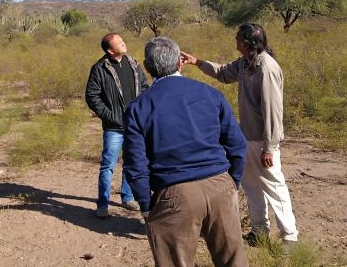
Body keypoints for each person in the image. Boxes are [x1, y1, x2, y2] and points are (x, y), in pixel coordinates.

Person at [123, 36, 248, 267]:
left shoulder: (139, 107)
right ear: (180, 63)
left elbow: (135, 163)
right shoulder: (211, 94)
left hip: (174, 193)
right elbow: (237, 144)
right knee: (233, 261)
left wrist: (146, 204)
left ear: (147, 67)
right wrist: (232, 182)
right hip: (220, 186)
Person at [181, 23, 299, 246]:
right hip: (247, 137)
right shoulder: (246, 63)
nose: (235, 41)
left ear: (247, 42)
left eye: (238, 38)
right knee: (252, 185)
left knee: (274, 186)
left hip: (262, 141)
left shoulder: (267, 68)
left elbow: (273, 111)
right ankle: (259, 231)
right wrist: (197, 62)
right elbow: (224, 73)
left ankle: (290, 237)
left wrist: (270, 147)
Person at [85, 33, 149, 218]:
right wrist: (110, 116)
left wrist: (141, 111)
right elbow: (92, 96)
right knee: (108, 166)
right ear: (110, 50)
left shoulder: (133, 63)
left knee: (131, 163)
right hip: (114, 127)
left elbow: (144, 87)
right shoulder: (99, 68)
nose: (123, 43)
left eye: (123, 40)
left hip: (134, 124)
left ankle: (127, 198)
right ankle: (103, 203)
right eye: (119, 42)